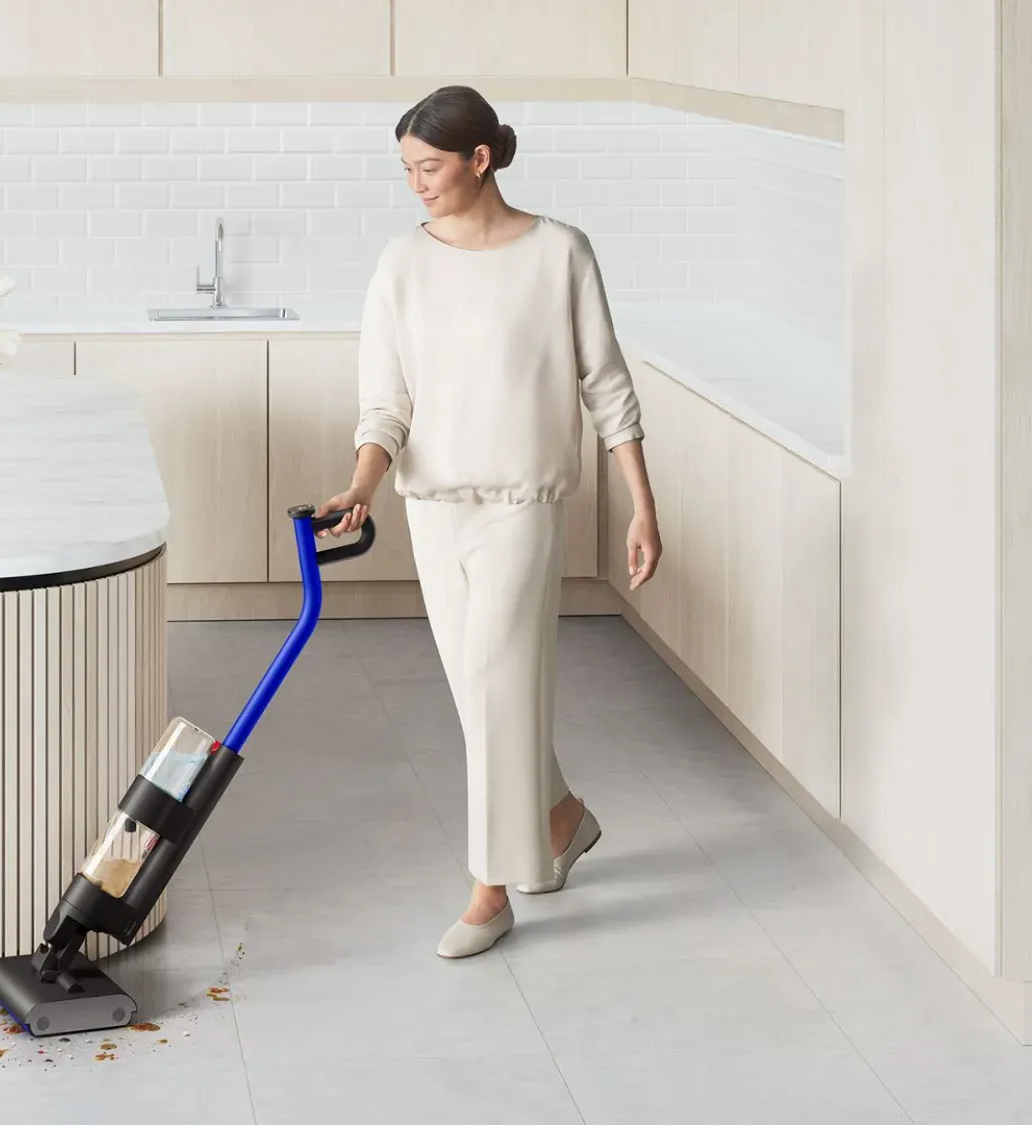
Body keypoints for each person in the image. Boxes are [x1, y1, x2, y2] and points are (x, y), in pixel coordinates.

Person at [322, 85, 663, 958]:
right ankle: (561, 818)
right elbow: (384, 405)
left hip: (523, 506)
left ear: (480, 159)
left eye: (428, 167)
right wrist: (362, 484)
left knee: (497, 682)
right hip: (433, 510)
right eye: (405, 169)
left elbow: (607, 385)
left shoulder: (560, 254)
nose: (416, 184)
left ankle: (490, 889)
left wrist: (642, 504)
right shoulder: (402, 264)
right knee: (485, 698)